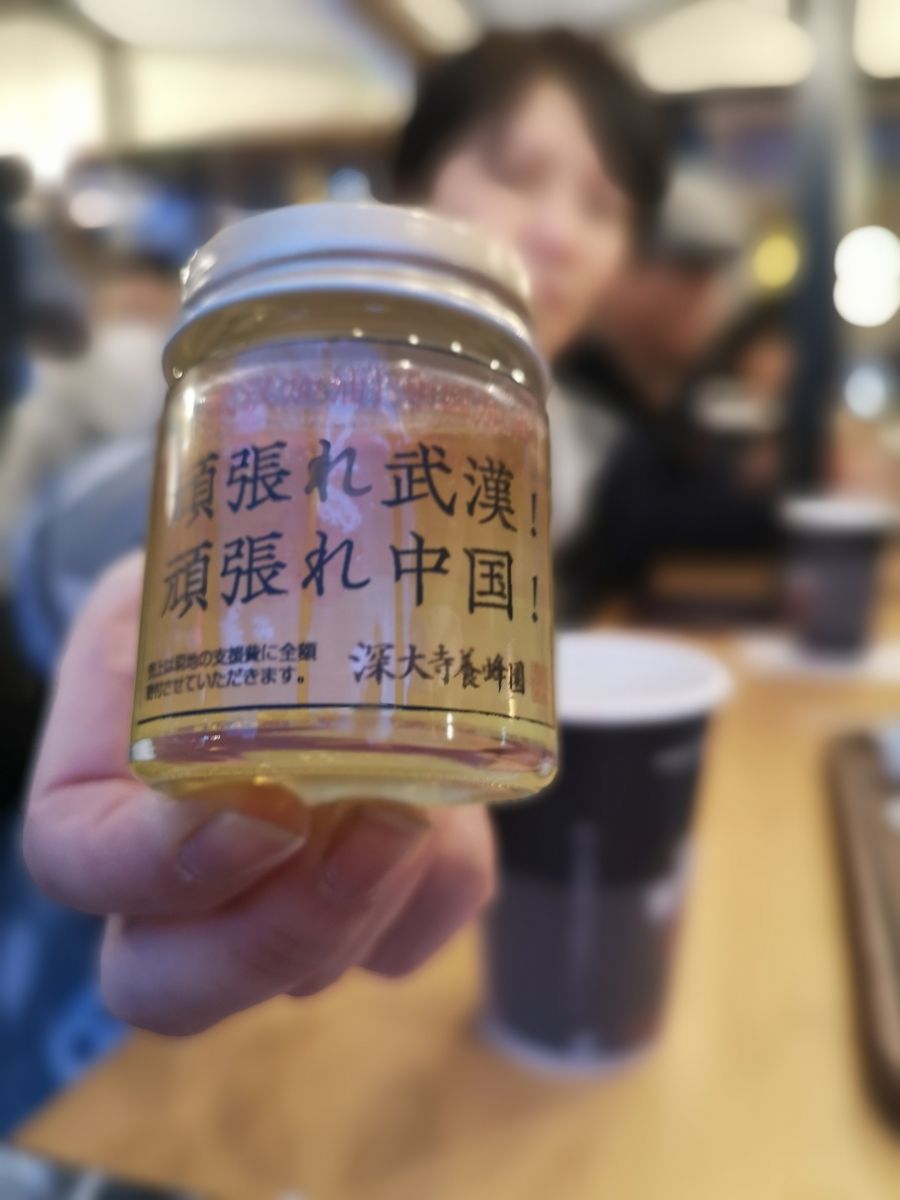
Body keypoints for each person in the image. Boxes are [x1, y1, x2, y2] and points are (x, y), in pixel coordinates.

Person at [23, 28, 667, 1036]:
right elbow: (60, 532)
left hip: (357, 1027)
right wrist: (142, 572)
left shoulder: (561, 447)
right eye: (517, 174)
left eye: (603, 206)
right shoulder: (176, 378)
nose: (558, 233)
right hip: (63, 1023)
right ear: (413, 183)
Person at [555, 170, 781, 619]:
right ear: (618, 269)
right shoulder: (569, 393)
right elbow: (635, 529)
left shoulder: (690, 400)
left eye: (715, 273)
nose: (707, 294)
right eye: (687, 269)